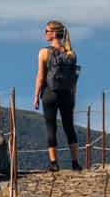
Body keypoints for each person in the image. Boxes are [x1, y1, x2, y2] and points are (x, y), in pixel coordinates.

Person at [33, 20, 82, 171]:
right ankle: (75, 162)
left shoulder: (44, 52)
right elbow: (74, 79)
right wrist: (73, 96)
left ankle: (54, 163)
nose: (45, 33)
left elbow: (41, 76)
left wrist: (36, 96)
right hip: (67, 95)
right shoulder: (71, 53)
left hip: (50, 93)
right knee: (69, 127)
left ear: (54, 33)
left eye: (47, 31)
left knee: (51, 127)